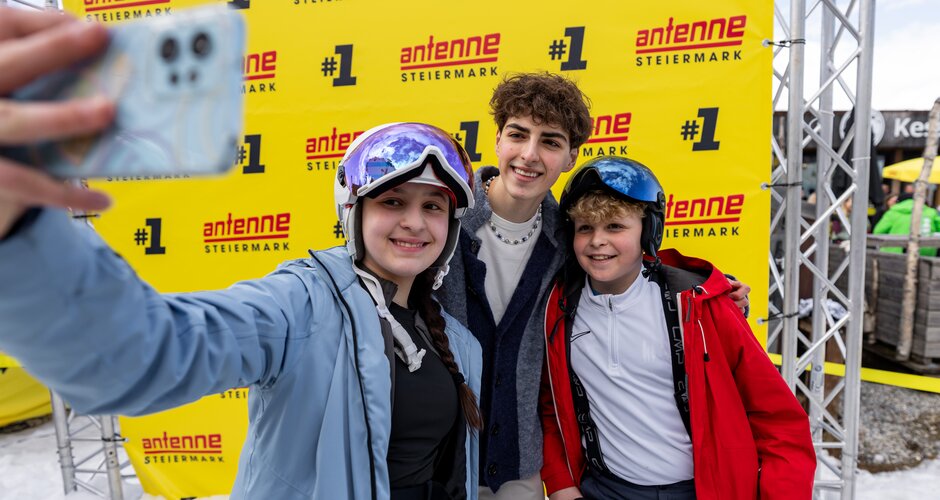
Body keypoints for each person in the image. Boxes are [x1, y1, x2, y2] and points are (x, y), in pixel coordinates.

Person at [0, 11, 483, 500]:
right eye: (393, 201)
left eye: (433, 206)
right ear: (352, 213)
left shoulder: (459, 344)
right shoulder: (303, 305)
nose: (415, 223)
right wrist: (17, 229)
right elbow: (140, 355)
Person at [435, 72, 752, 499]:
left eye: (550, 141)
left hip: (516, 469)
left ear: (570, 157)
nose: (529, 154)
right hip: (436, 459)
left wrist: (718, 292)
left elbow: (634, 263)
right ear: (496, 140)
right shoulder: (441, 220)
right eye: (518, 134)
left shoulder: (570, 243)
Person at [539, 157, 816, 500]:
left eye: (614, 226)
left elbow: (778, 422)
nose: (597, 240)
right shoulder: (559, 309)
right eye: (585, 228)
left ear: (648, 231)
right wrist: (562, 484)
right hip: (604, 489)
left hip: (700, 491)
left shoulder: (702, 308)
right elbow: (551, 409)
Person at [872, 191, 940, 256]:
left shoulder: (893, 212)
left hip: (894, 252)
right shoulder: (931, 212)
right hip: (925, 253)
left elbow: (878, 231)